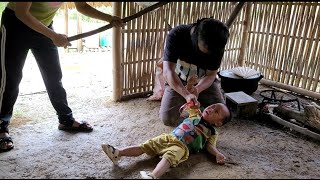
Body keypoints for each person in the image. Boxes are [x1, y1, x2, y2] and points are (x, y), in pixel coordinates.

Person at [0, 2, 123, 152]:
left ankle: (66, 119)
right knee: (10, 79)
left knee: (54, 76)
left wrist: (109, 18)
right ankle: (1, 126)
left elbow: (82, 6)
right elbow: (22, 13)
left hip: (43, 27)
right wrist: (53, 36)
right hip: (16, 25)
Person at [101, 102, 231, 179]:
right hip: (168, 137)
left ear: (218, 123)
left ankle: (153, 175)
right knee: (146, 145)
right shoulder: (196, 114)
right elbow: (190, 99)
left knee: (169, 157)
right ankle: (118, 153)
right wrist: (191, 88)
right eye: (213, 106)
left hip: (182, 147)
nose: (211, 108)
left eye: (216, 111)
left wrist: (217, 154)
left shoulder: (212, 132)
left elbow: (210, 146)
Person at [159, 17, 230, 126]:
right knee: (168, 119)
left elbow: (211, 75)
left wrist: (197, 89)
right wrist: (186, 94)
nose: (209, 54)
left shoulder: (217, 44)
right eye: (206, 50)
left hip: (204, 82)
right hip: (178, 80)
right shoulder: (177, 35)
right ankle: (193, 115)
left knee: (222, 113)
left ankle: (199, 107)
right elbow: (168, 71)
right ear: (196, 36)